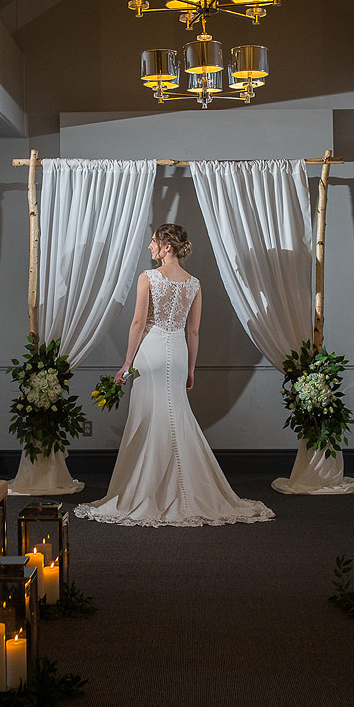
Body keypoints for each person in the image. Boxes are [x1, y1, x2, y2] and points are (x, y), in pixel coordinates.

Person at [75, 223, 275, 527]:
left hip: (152, 351)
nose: (149, 246)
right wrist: (191, 368)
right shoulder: (194, 284)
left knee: (150, 418)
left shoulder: (149, 278)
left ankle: (150, 492)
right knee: (175, 417)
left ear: (167, 246)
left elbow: (138, 323)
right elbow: (193, 331)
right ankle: (185, 490)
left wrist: (127, 364)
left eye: (154, 241)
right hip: (179, 353)